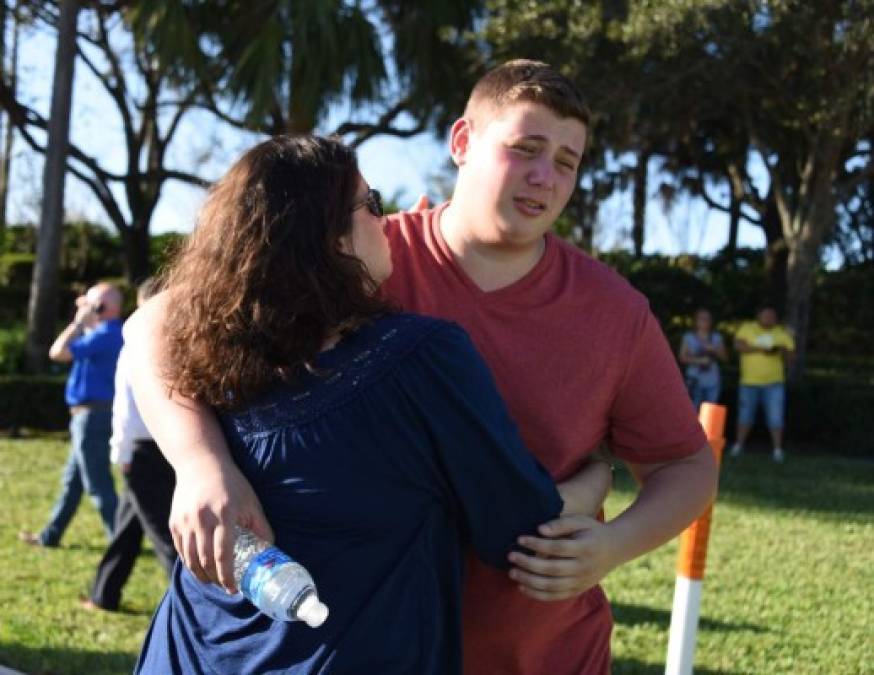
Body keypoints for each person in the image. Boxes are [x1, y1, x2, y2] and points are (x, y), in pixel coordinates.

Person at [128, 60, 718, 674]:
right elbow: (155, 324)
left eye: (567, 162)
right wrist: (201, 464)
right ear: (462, 142)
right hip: (364, 646)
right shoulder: (358, 253)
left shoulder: (615, 312)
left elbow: (686, 466)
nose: (546, 177)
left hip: (539, 653)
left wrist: (611, 546)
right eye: (526, 148)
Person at [133, 134, 566, 674]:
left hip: (184, 654)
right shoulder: (420, 358)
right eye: (373, 205)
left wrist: (200, 462)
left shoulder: (207, 351)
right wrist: (598, 474)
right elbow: (521, 530)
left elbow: (145, 323)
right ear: (333, 238)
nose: (388, 221)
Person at [80, 277, 177, 612]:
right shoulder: (174, 345)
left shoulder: (136, 346)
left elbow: (127, 410)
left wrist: (120, 452)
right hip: (165, 447)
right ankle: (103, 594)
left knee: (165, 538)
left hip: (142, 450)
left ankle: (188, 602)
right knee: (128, 527)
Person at [20, 282, 123, 547]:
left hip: (92, 417)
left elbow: (57, 352)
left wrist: (77, 323)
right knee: (73, 482)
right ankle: (51, 536)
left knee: (98, 484)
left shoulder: (107, 333)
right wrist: (87, 319)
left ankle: (120, 541)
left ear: (104, 307)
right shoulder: (108, 332)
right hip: (91, 416)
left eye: (92, 303)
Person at [729, 303, 796, 463]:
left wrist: (782, 350)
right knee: (745, 415)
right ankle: (738, 446)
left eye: (772, 316)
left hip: (774, 383)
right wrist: (761, 349)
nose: (769, 319)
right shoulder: (747, 328)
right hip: (749, 382)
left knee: (775, 417)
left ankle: (777, 450)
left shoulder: (781, 333)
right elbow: (738, 345)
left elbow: (791, 358)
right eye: (766, 315)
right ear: (759, 316)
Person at [678, 308, 728, 409]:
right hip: (694, 380)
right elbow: (682, 358)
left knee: (711, 413)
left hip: (713, 381)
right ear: (695, 321)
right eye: (701, 318)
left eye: (707, 318)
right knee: (692, 411)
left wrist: (714, 350)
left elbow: (725, 358)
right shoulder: (688, 337)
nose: (704, 321)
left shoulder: (716, 337)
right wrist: (698, 361)